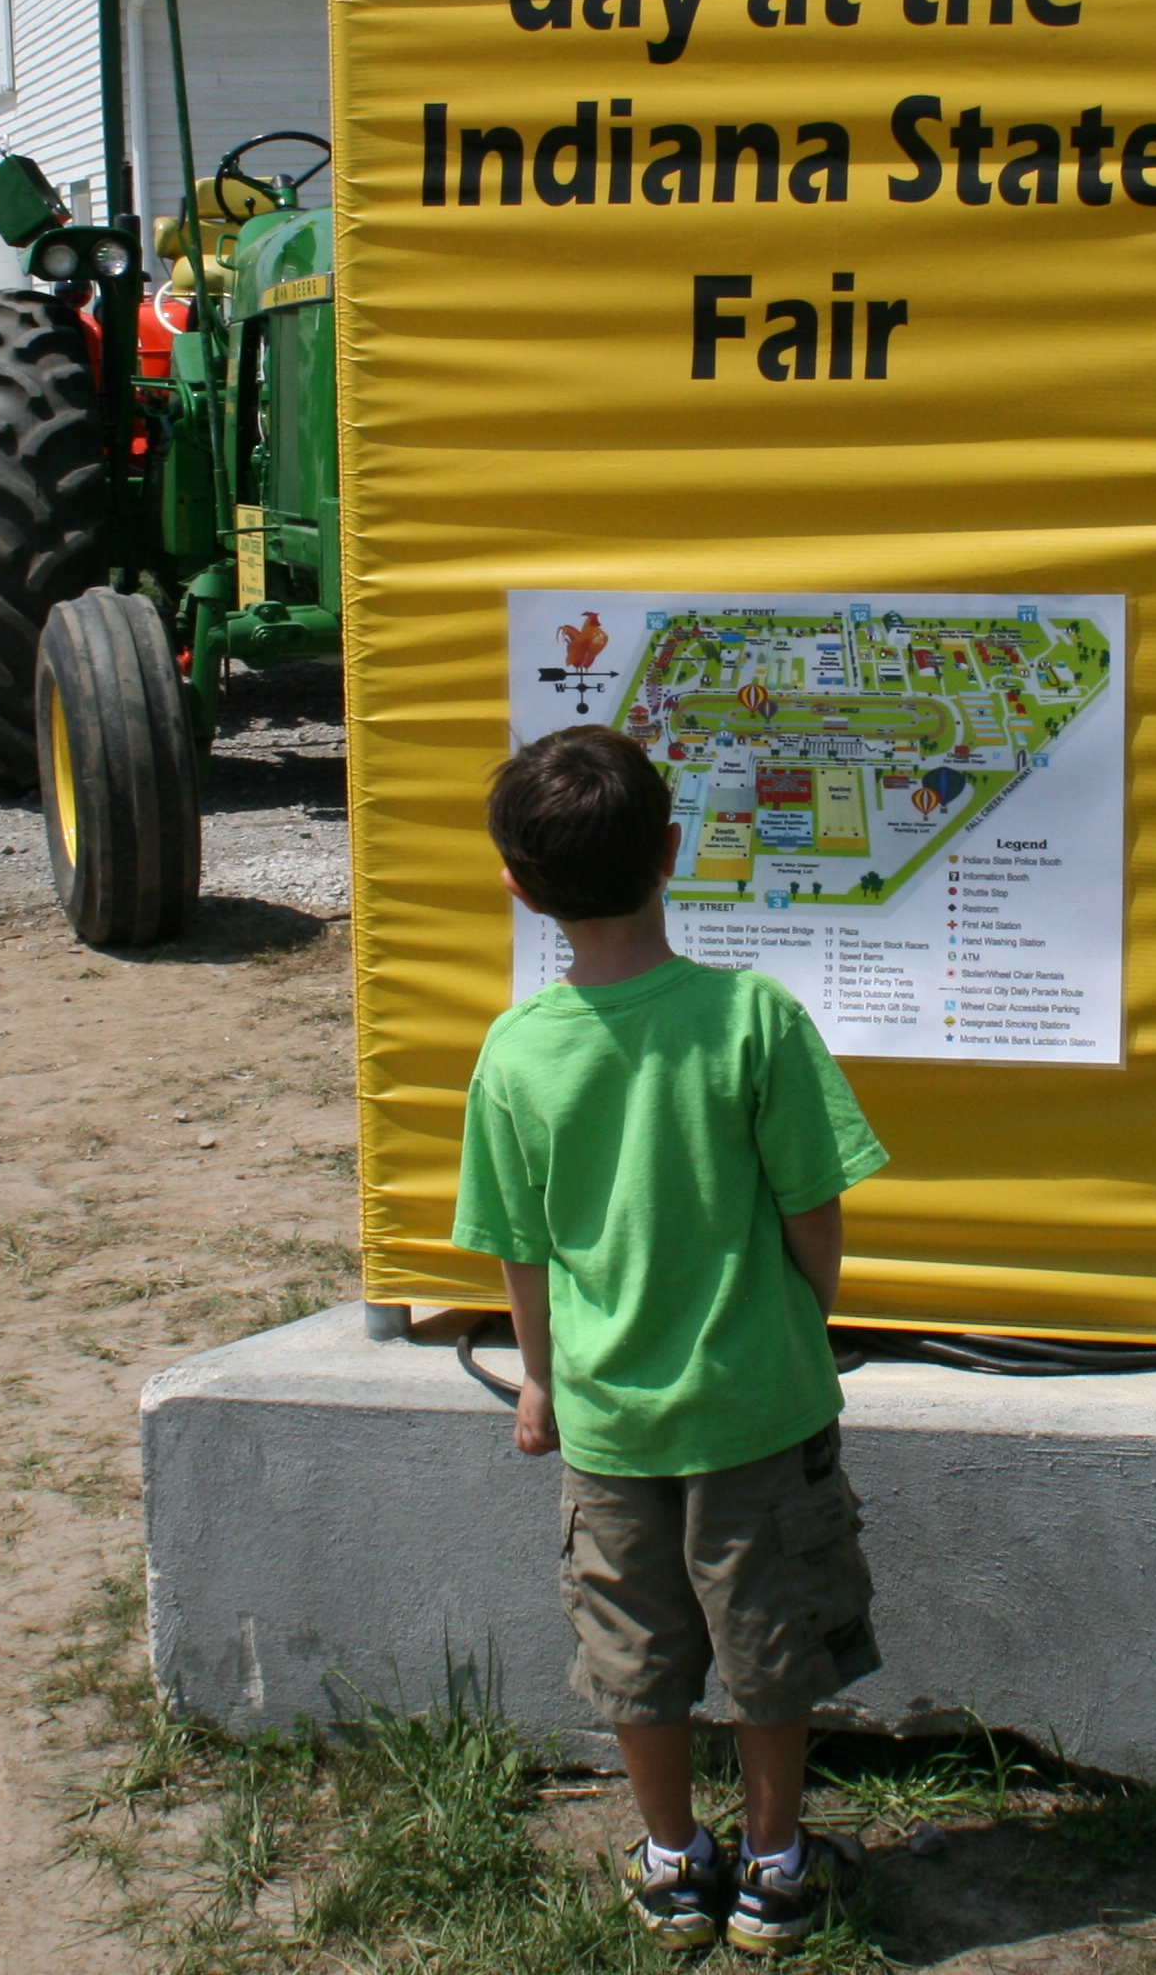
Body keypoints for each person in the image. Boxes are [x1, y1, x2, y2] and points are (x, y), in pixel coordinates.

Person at [453, 726, 892, 1958]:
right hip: (760, 1407)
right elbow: (815, 1209)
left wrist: (539, 1381)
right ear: (672, 851)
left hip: (607, 1426)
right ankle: (775, 1872)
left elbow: (519, 1249)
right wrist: (804, 1316)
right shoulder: (755, 1017)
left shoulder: (513, 1053)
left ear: (518, 888)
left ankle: (670, 1862)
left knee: (633, 1654)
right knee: (771, 1645)